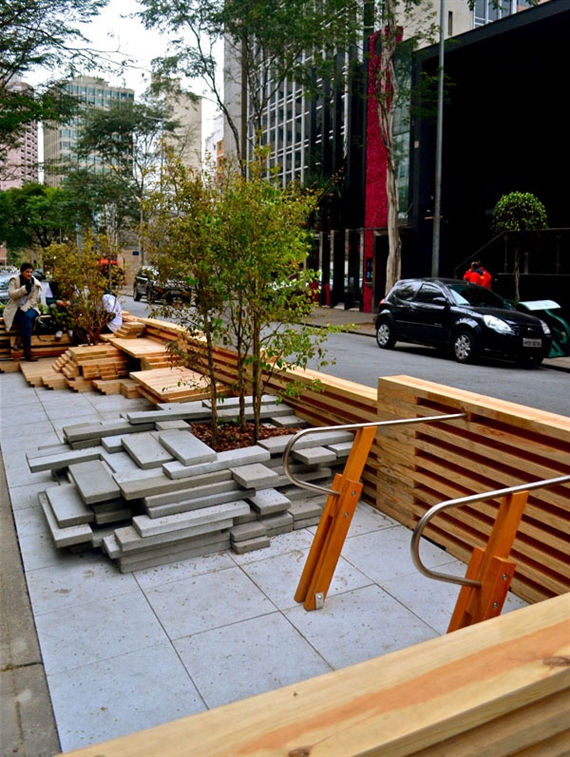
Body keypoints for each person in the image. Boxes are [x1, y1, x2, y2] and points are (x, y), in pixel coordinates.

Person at [3, 262, 42, 361]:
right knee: (27, 323)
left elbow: (33, 299)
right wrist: (23, 289)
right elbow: (11, 294)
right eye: (27, 272)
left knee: (27, 317)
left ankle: (18, 341)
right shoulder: (14, 280)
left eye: (31, 272)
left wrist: (25, 308)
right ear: (21, 272)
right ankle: (28, 353)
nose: (29, 274)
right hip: (16, 308)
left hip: (31, 307)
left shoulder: (35, 283)